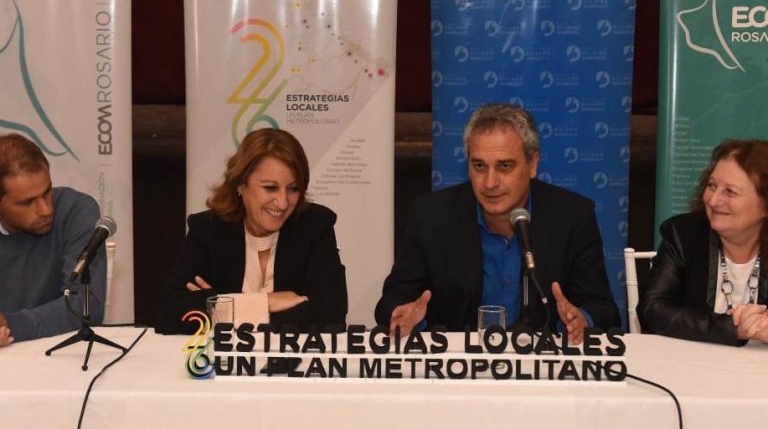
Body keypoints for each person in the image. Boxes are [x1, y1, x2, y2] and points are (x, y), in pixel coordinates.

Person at [375, 103, 620, 344]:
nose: (490, 182)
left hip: (541, 363)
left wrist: (581, 320)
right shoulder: (430, 217)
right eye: (479, 166)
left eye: (505, 166)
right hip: (458, 364)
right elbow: (390, 303)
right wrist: (408, 318)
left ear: (533, 164)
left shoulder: (572, 217)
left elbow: (604, 310)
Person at [156, 128, 347, 334]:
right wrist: (265, 303)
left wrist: (220, 306)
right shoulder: (209, 229)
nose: (283, 202)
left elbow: (331, 317)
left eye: (293, 189)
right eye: (270, 187)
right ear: (241, 184)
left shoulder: (314, 226)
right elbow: (169, 314)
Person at [638, 140, 768, 345]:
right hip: (693, 360)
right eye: (712, 185)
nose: (713, 200)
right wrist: (733, 329)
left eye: (730, 192)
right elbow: (653, 309)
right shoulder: (683, 234)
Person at [0, 133, 105, 346]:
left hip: (63, 354)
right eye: (27, 202)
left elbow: (85, 307)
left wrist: (9, 324)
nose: (46, 210)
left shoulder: (75, 210)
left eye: (47, 192)